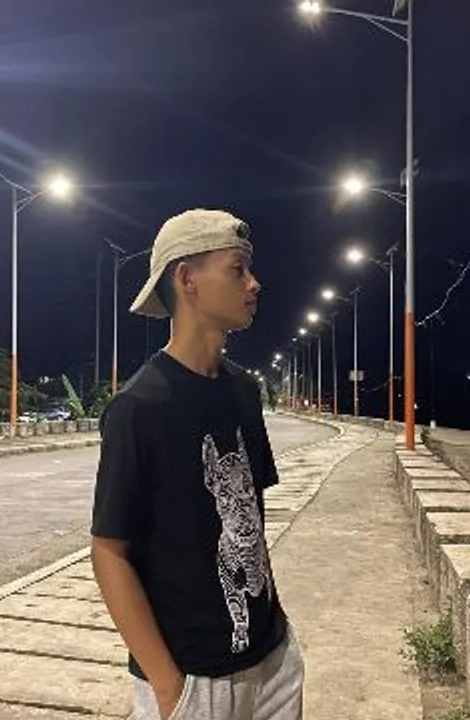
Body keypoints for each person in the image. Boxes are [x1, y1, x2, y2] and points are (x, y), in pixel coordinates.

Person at [91, 209, 304, 720]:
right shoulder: (138, 407)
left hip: (273, 661)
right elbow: (109, 552)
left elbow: (251, 519)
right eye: (237, 270)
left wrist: (277, 635)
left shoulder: (244, 391)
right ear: (188, 279)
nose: (254, 283)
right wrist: (169, 688)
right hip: (195, 682)